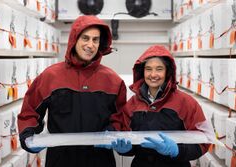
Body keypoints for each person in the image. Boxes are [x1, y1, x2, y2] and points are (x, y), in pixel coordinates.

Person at [17, 15, 127, 167]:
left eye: (95, 40)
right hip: (61, 160)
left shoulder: (113, 81)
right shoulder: (51, 76)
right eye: (85, 38)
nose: (90, 45)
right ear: (74, 39)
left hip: (99, 160)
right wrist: (28, 135)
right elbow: (30, 110)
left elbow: (121, 116)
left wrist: (113, 130)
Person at [107, 45, 214, 167]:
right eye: (148, 69)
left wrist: (177, 150)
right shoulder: (132, 104)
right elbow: (128, 139)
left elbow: (203, 141)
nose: (153, 74)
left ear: (168, 72)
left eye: (159, 69)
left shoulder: (186, 102)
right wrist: (125, 149)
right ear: (142, 72)